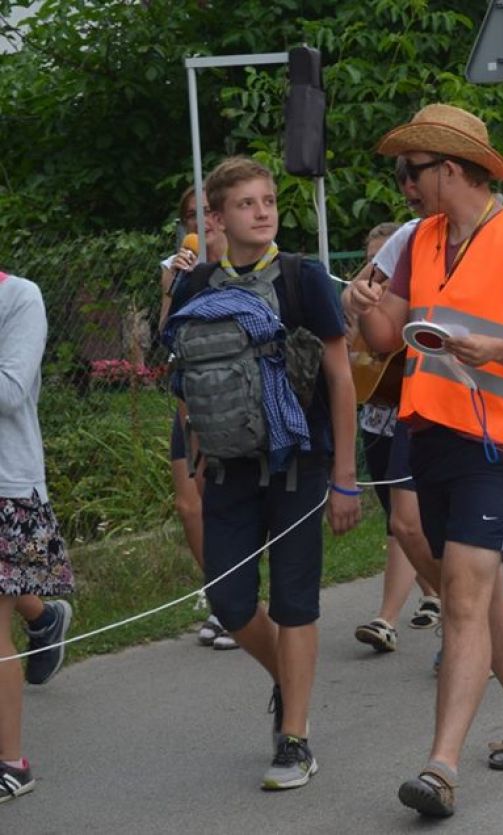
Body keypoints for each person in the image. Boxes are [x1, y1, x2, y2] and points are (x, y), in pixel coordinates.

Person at [349, 103, 503, 819]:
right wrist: (362, 306)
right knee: (481, 590)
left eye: (412, 173)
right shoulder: (422, 240)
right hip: (429, 433)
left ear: (449, 168)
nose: (404, 186)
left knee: (465, 596)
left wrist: (496, 349)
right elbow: (386, 339)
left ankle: (439, 766)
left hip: (499, 442)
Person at [164, 156, 362, 790]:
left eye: (269, 199)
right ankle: (290, 677)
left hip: (299, 463)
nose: (263, 210)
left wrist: (346, 477)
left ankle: (295, 737)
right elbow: (185, 377)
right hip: (226, 467)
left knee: (295, 599)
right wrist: (194, 449)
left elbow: (340, 378)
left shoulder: (304, 281)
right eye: (247, 203)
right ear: (217, 220)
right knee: (229, 599)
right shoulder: (197, 289)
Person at [346, 219, 442, 652]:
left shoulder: (417, 294)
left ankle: (386, 619)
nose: (378, 272)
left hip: (415, 410)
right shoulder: (368, 291)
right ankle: (439, 594)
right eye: (371, 262)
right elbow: (353, 341)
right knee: (402, 523)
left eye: (383, 263)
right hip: (376, 415)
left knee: (403, 520)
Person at [1, 270, 76, 803]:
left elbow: (9, 391)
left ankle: (11, 763)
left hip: (6, 484)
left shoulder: (19, 297)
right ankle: (44, 617)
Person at [161, 187, 236, 650]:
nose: (202, 221)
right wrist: (174, 285)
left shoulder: (241, 264)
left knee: (226, 504)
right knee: (190, 505)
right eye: (192, 215)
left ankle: (236, 603)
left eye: (209, 211)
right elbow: (167, 336)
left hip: (231, 403)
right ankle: (220, 597)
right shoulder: (177, 269)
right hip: (189, 397)